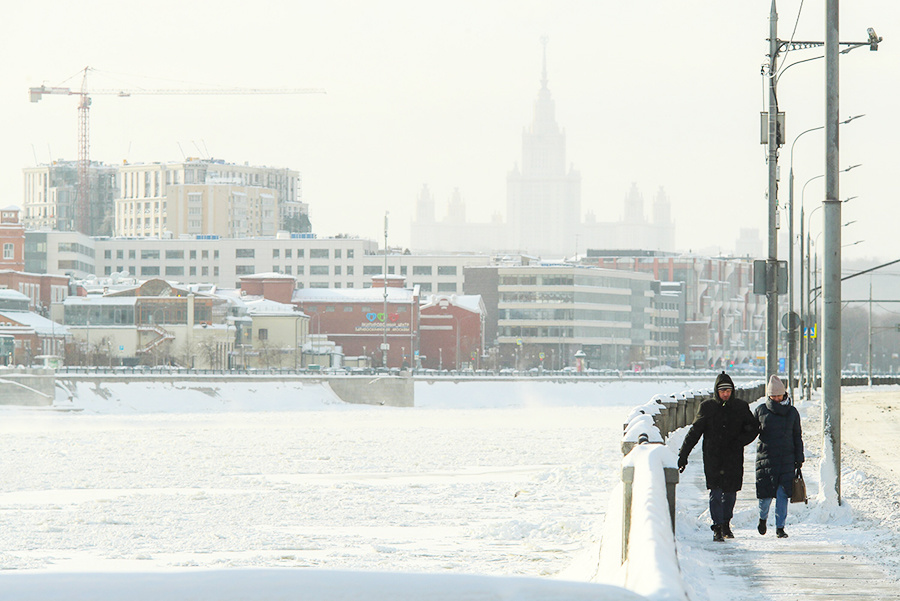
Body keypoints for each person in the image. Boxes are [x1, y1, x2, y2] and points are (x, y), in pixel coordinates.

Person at [678, 371, 759, 541]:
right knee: (715, 492)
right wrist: (683, 455)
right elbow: (695, 432)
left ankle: (726, 523)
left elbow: (753, 428)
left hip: (733, 457)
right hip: (713, 457)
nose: (726, 394)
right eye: (722, 391)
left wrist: (739, 441)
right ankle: (717, 526)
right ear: (717, 391)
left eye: (728, 391)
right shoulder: (707, 408)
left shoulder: (740, 407)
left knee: (730, 493)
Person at [754, 375, 804, 539]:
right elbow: (751, 431)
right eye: (773, 396)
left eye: (778, 395)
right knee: (766, 496)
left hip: (787, 459)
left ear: (784, 394)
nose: (776, 398)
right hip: (767, 459)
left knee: (782, 495)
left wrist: (799, 457)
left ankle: (780, 527)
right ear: (769, 396)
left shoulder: (792, 412)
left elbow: (797, 436)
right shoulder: (761, 411)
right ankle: (763, 519)